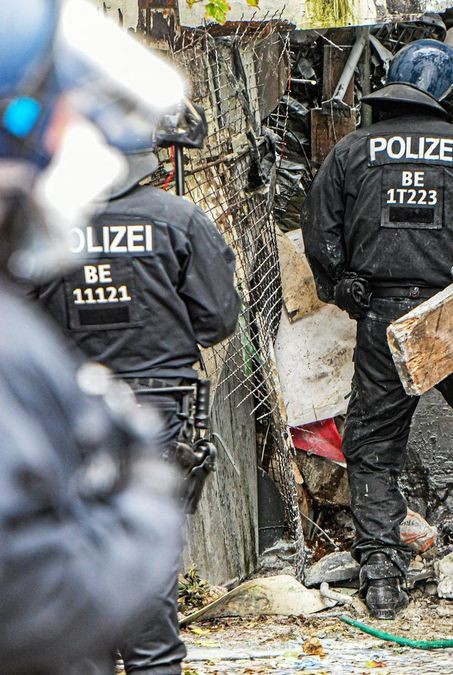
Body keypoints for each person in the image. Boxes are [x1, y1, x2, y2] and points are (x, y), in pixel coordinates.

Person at [302, 39, 453, 619]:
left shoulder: (352, 150)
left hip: (385, 317)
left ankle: (382, 574)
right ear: (450, 95)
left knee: (373, 446)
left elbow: (320, 232)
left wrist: (342, 285)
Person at [0, 1, 192, 672]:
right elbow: (30, 592)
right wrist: (142, 504)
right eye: (68, 109)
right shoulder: (11, 353)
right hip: (165, 386)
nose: (85, 138)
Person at [33, 101, 240, 673]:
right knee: (146, 560)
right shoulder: (179, 219)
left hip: (65, 411)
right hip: (157, 410)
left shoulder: (44, 220)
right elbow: (217, 319)